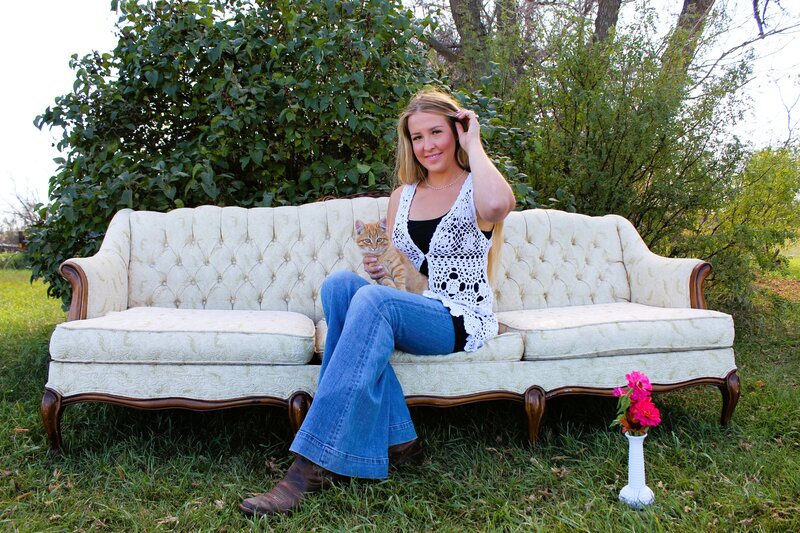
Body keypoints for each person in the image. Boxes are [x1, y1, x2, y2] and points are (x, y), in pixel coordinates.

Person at [239, 89, 516, 517]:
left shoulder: (475, 188)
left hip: (460, 317)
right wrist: (380, 270)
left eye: (437, 132)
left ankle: (310, 466)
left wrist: (473, 142)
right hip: (415, 305)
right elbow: (407, 268)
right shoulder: (403, 195)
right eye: (417, 137)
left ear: (456, 132)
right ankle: (402, 440)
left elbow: (499, 206)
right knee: (339, 286)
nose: (428, 145)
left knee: (372, 302)